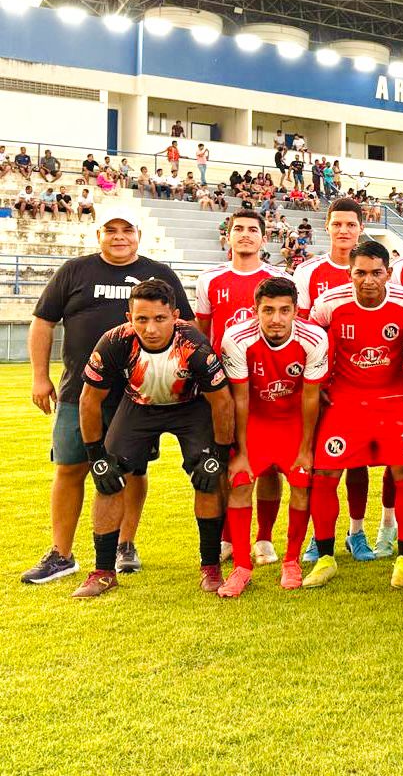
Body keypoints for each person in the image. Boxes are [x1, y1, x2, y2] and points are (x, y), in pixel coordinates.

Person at [23, 211, 193, 584]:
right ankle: (61, 554)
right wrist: (40, 376)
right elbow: (43, 321)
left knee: (133, 471)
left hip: (140, 394)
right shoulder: (74, 271)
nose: (119, 237)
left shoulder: (159, 273)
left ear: (139, 234)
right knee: (70, 467)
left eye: (127, 230)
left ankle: (124, 545)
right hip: (78, 392)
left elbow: (186, 327)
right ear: (98, 234)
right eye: (111, 230)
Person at [70, 279, 233, 598]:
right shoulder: (115, 341)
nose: (151, 328)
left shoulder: (194, 344)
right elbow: (89, 400)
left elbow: (222, 402)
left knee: (208, 477)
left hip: (190, 407)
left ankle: (211, 568)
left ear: (175, 315)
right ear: (129, 317)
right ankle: (103, 572)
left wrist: (220, 455)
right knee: (109, 480)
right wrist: (95, 456)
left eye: (160, 318)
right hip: (139, 405)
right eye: (142, 319)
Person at [303, 241, 403, 589]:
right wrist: (320, 384)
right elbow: (313, 340)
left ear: (388, 272)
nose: (368, 280)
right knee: (324, 473)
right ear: (349, 273)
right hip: (345, 400)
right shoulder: (329, 303)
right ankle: (325, 556)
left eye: (376, 273)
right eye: (360, 273)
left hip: (393, 398)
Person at [218, 277, 328, 596]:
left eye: (284, 310)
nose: (276, 319)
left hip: (293, 423)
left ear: (296, 310)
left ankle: (291, 561)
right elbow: (240, 397)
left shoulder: (313, 337)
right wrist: (240, 449)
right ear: (256, 310)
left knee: (301, 483)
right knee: (239, 481)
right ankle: (241, 566)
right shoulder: (237, 338)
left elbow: (310, 396)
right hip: (255, 422)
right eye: (268, 310)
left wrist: (306, 449)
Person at [195, 210, 288, 563]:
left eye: (253, 230)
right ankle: (228, 538)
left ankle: (264, 539)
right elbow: (201, 335)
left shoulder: (279, 277)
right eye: (238, 229)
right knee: (224, 462)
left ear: (264, 238)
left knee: (270, 466)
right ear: (228, 237)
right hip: (224, 390)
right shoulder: (210, 280)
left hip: (270, 386)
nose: (245, 235)